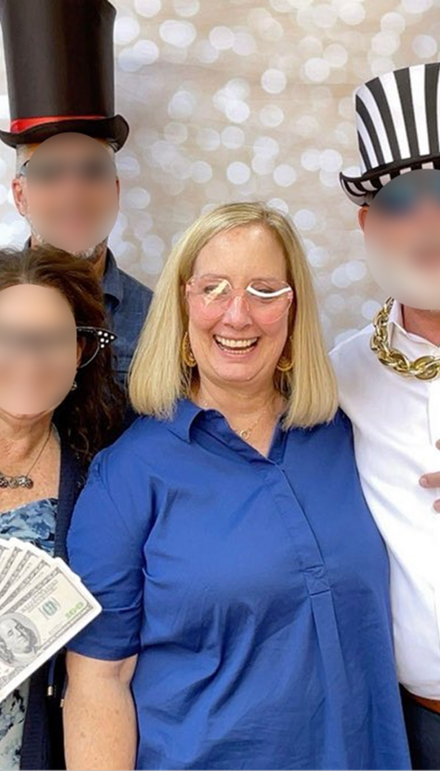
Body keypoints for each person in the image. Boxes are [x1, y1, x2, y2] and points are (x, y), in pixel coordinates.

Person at [63, 202, 410, 771]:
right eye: (214, 288)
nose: (238, 315)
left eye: (265, 290)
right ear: (183, 303)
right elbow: (99, 681)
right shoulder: (127, 475)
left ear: (294, 309)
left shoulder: (349, 434)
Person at [333, 62, 440, 770]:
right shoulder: (340, 374)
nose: (429, 220)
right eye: (404, 200)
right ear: (370, 223)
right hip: (414, 728)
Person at [0, 245, 125, 770]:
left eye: (51, 340)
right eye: (10, 337)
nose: (30, 358)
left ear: (78, 354)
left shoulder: (103, 473)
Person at [0, 0, 153, 390]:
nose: (74, 192)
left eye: (92, 171)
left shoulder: (161, 321)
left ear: (115, 191)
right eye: (50, 173)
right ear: (21, 195)